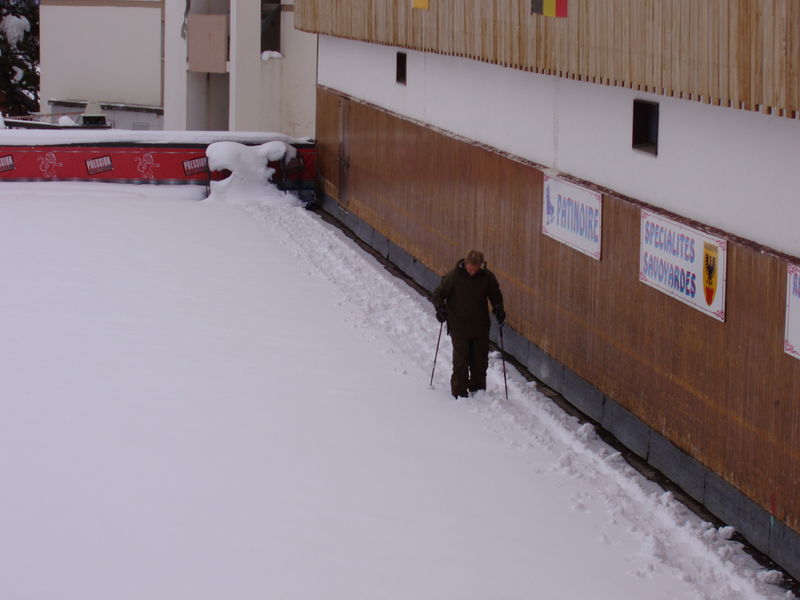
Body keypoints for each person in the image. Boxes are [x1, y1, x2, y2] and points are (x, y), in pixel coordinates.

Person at [432, 250, 505, 398]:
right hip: (459, 326)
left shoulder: (487, 277)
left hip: (480, 326)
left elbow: (495, 294)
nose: (472, 272)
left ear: (480, 266)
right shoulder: (454, 277)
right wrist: (440, 309)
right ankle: (459, 391)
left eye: (475, 269)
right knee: (461, 361)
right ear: (465, 263)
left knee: (480, 360)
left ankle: (477, 388)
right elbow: (438, 293)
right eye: (470, 268)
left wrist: (498, 308)